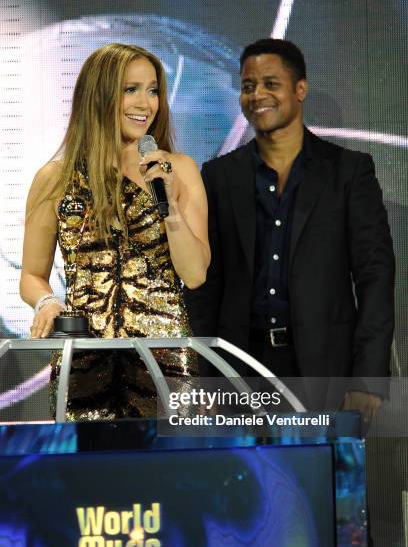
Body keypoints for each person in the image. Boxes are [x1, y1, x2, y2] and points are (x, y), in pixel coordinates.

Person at [184, 37, 395, 419]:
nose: (257, 95)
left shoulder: (348, 172)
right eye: (248, 86)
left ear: (300, 89)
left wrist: (368, 379)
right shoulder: (219, 176)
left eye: (270, 83)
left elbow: (375, 276)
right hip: (238, 375)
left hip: (325, 372)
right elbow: (204, 286)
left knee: (322, 478)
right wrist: (202, 378)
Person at [20, 43, 210, 420]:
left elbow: (194, 273)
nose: (146, 103)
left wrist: (169, 207)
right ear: (99, 95)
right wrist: (46, 303)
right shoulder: (54, 179)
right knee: (90, 473)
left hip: (165, 361)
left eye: (153, 90)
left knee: (172, 475)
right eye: (131, 89)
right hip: (85, 361)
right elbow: (31, 276)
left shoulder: (179, 170)